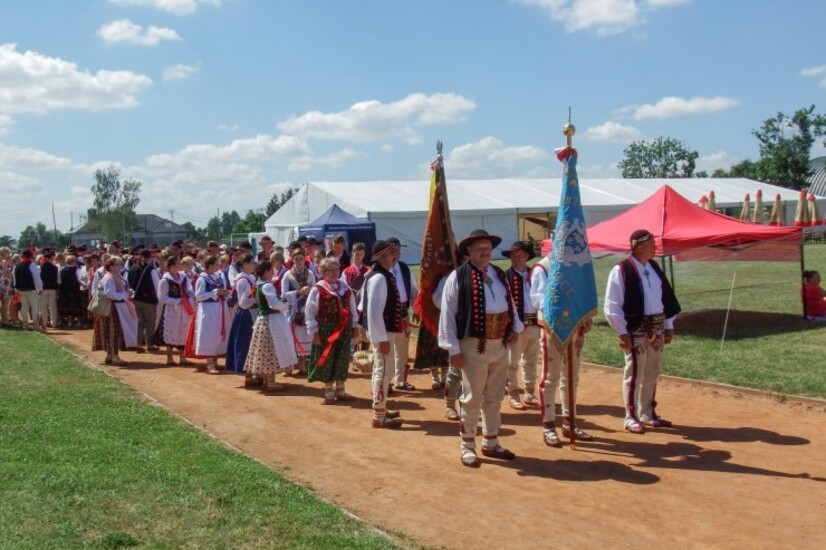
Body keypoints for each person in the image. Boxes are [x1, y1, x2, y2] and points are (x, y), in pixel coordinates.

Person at [439, 229, 523, 468]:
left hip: (500, 344)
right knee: (472, 396)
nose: (485, 252)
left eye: (487, 248)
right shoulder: (458, 277)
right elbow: (447, 313)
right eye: (480, 249)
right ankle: (467, 446)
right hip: (473, 345)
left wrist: (515, 325)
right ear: (469, 252)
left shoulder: (498, 273)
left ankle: (491, 441)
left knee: (495, 396)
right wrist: (453, 349)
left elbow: (509, 302)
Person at [604, 229, 681, 434]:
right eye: (651, 244)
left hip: (656, 329)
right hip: (635, 331)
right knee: (635, 374)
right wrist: (622, 332)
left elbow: (666, 298)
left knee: (652, 372)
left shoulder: (654, 267)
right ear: (639, 247)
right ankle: (631, 416)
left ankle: (647, 412)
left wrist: (668, 325)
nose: (655, 247)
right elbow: (612, 305)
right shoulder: (621, 270)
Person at [531, 253, 595, 446]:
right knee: (550, 378)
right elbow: (537, 298)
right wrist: (559, 307)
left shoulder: (577, 265)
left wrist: (585, 315)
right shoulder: (542, 268)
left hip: (575, 327)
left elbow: (585, 292)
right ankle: (548, 425)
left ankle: (570, 421)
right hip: (553, 328)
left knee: (572, 378)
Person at [361, 240, 405, 429]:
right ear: (381, 257)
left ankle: (381, 407)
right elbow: (373, 312)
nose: (393, 257)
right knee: (384, 372)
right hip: (384, 332)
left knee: (382, 370)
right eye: (389, 254)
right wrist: (381, 339)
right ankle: (379, 414)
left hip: (387, 331)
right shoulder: (379, 277)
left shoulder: (383, 275)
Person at [305, 258, 359, 404]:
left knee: (342, 356)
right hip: (326, 329)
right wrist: (314, 332)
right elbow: (310, 311)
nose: (335, 273)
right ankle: (329, 390)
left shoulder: (345, 287)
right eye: (330, 270)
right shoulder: (318, 289)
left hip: (344, 328)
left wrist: (355, 326)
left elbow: (352, 306)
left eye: (336, 269)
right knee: (327, 357)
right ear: (323, 272)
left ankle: (341, 389)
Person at [246, 260, 298, 392]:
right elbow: (273, 304)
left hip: (263, 320)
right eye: (271, 270)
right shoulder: (267, 286)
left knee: (265, 351)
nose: (273, 272)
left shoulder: (259, 284)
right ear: (267, 271)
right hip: (271, 321)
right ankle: (271, 382)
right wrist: (286, 306)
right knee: (271, 351)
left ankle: (267, 380)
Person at [502, 241, 541, 410]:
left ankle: (530, 392)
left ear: (526, 256)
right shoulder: (505, 277)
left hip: (535, 324)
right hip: (517, 327)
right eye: (513, 255)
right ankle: (513, 393)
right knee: (512, 362)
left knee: (531, 360)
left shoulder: (536, 274)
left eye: (519, 254)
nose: (516, 258)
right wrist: (511, 327)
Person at [186, 255, 231, 374]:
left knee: (218, 333)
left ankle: (215, 359)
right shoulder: (202, 279)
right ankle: (209, 363)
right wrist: (214, 293)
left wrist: (225, 293)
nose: (219, 266)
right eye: (216, 264)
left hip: (220, 308)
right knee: (209, 334)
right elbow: (199, 296)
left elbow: (223, 290)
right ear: (210, 265)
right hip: (208, 309)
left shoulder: (219, 277)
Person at [92, 256, 138, 366]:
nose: (118, 266)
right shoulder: (109, 277)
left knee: (113, 331)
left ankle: (110, 355)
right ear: (110, 267)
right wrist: (124, 295)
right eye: (116, 265)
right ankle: (114, 356)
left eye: (119, 264)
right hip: (112, 309)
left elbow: (119, 289)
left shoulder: (116, 276)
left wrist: (128, 291)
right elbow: (109, 293)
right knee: (113, 332)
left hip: (117, 307)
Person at [386, 237, 418, 391]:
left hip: (403, 313)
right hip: (387, 315)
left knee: (402, 350)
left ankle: (400, 381)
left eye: (398, 249)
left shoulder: (404, 268)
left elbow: (413, 289)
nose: (396, 252)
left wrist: (416, 308)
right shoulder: (381, 269)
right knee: (387, 350)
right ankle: (387, 382)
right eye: (392, 249)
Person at [154, 256, 194, 366]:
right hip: (172, 310)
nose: (180, 266)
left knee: (183, 330)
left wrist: (191, 296)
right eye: (177, 264)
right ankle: (169, 358)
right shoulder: (165, 280)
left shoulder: (183, 277)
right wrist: (176, 301)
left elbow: (189, 290)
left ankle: (182, 357)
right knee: (171, 331)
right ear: (171, 266)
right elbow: (162, 298)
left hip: (183, 309)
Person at [281, 248, 315, 374]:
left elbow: (315, 289)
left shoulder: (310, 274)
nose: (299, 261)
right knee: (291, 335)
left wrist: (309, 290)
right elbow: (283, 294)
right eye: (296, 259)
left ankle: (302, 363)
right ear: (292, 260)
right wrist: (297, 292)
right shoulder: (287, 275)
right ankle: (289, 365)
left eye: (301, 259)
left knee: (304, 334)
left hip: (305, 307)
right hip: (292, 309)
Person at [225, 253, 257, 373]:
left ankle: (249, 369)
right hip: (245, 314)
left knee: (249, 342)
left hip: (250, 313)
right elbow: (243, 302)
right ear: (245, 265)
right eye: (252, 263)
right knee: (244, 341)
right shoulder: (242, 280)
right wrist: (256, 300)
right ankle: (243, 368)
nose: (254, 265)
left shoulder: (250, 278)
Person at [128, 249, 160, 354]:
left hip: (134, 299)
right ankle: (149, 344)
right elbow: (157, 286)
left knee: (139, 322)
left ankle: (138, 344)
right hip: (149, 300)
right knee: (150, 322)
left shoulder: (132, 268)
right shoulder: (152, 270)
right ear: (148, 258)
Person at [13, 249, 43, 331]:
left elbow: (15, 278)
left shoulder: (17, 265)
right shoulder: (32, 264)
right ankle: (36, 326)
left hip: (20, 289)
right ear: (30, 256)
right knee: (35, 307)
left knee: (24, 307)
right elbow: (37, 278)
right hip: (31, 289)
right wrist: (40, 288)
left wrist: (16, 289)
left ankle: (25, 325)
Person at [57, 254, 87, 328]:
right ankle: (79, 322)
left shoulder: (61, 270)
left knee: (67, 306)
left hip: (64, 291)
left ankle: (70, 322)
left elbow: (59, 282)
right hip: (75, 291)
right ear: (75, 261)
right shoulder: (77, 270)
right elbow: (79, 280)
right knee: (77, 306)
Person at [39, 251, 59, 329]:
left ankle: (44, 323)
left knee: (43, 307)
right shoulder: (55, 268)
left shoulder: (40, 267)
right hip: (52, 288)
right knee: (53, 307)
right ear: (50, 258)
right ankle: (54, 323)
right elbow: (57, 279)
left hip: (43, 289)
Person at [0, 246, 13, 325]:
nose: (8, 254)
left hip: (5, 283)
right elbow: (5, 273)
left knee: (4, 304)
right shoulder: (4, 262)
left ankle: (4, 319)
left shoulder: (5, 262)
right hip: (4, 284)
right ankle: (5, 320)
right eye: (7, 252)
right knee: (5, 303)